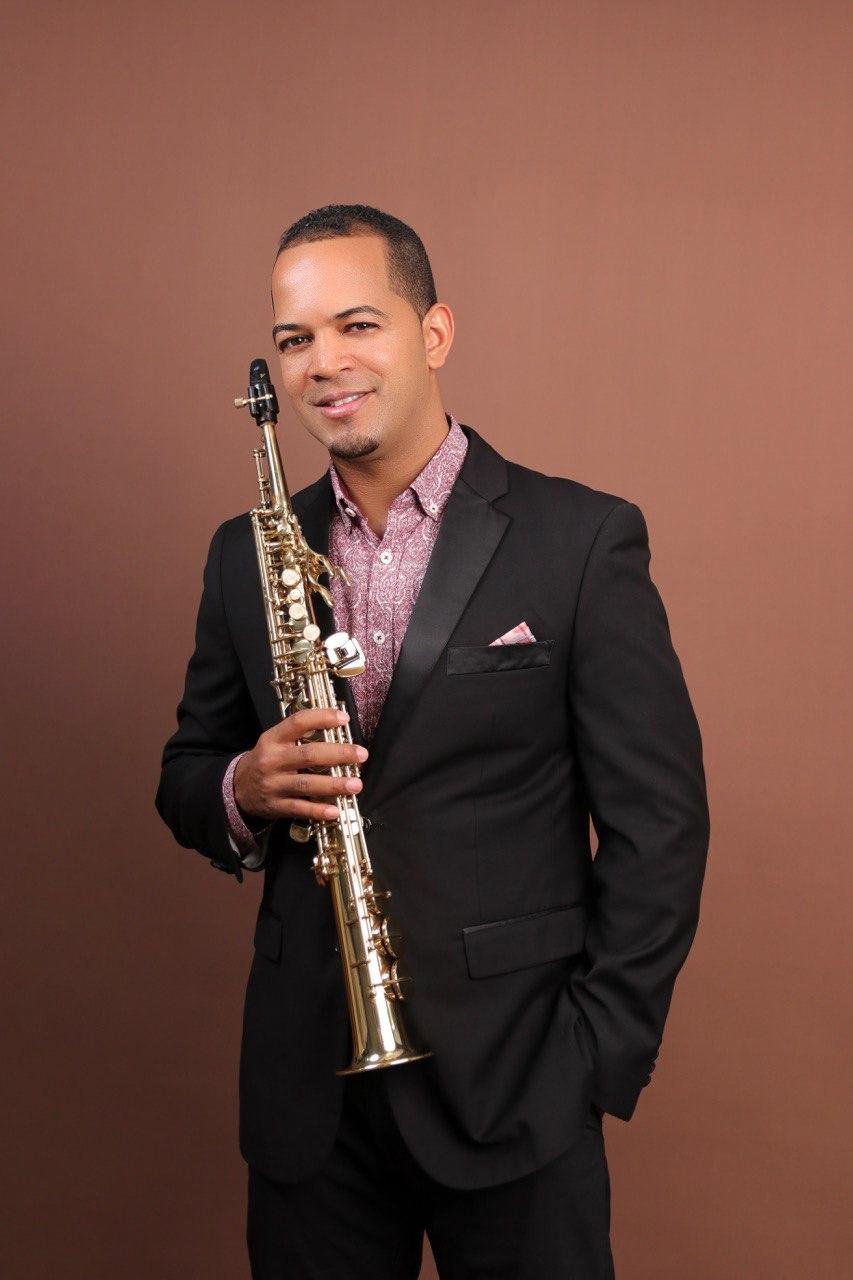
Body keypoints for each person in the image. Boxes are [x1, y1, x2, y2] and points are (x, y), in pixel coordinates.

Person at [155, 203, 710, 1279]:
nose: (324, 362)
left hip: (518, 1085)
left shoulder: (579, 539)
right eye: (294, 338)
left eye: (357, 325)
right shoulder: (241, 552)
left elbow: (661, 827)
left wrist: (593, 1055)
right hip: (309, 1100)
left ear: (434, 332)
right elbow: (186, 772)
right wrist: (242, 784)